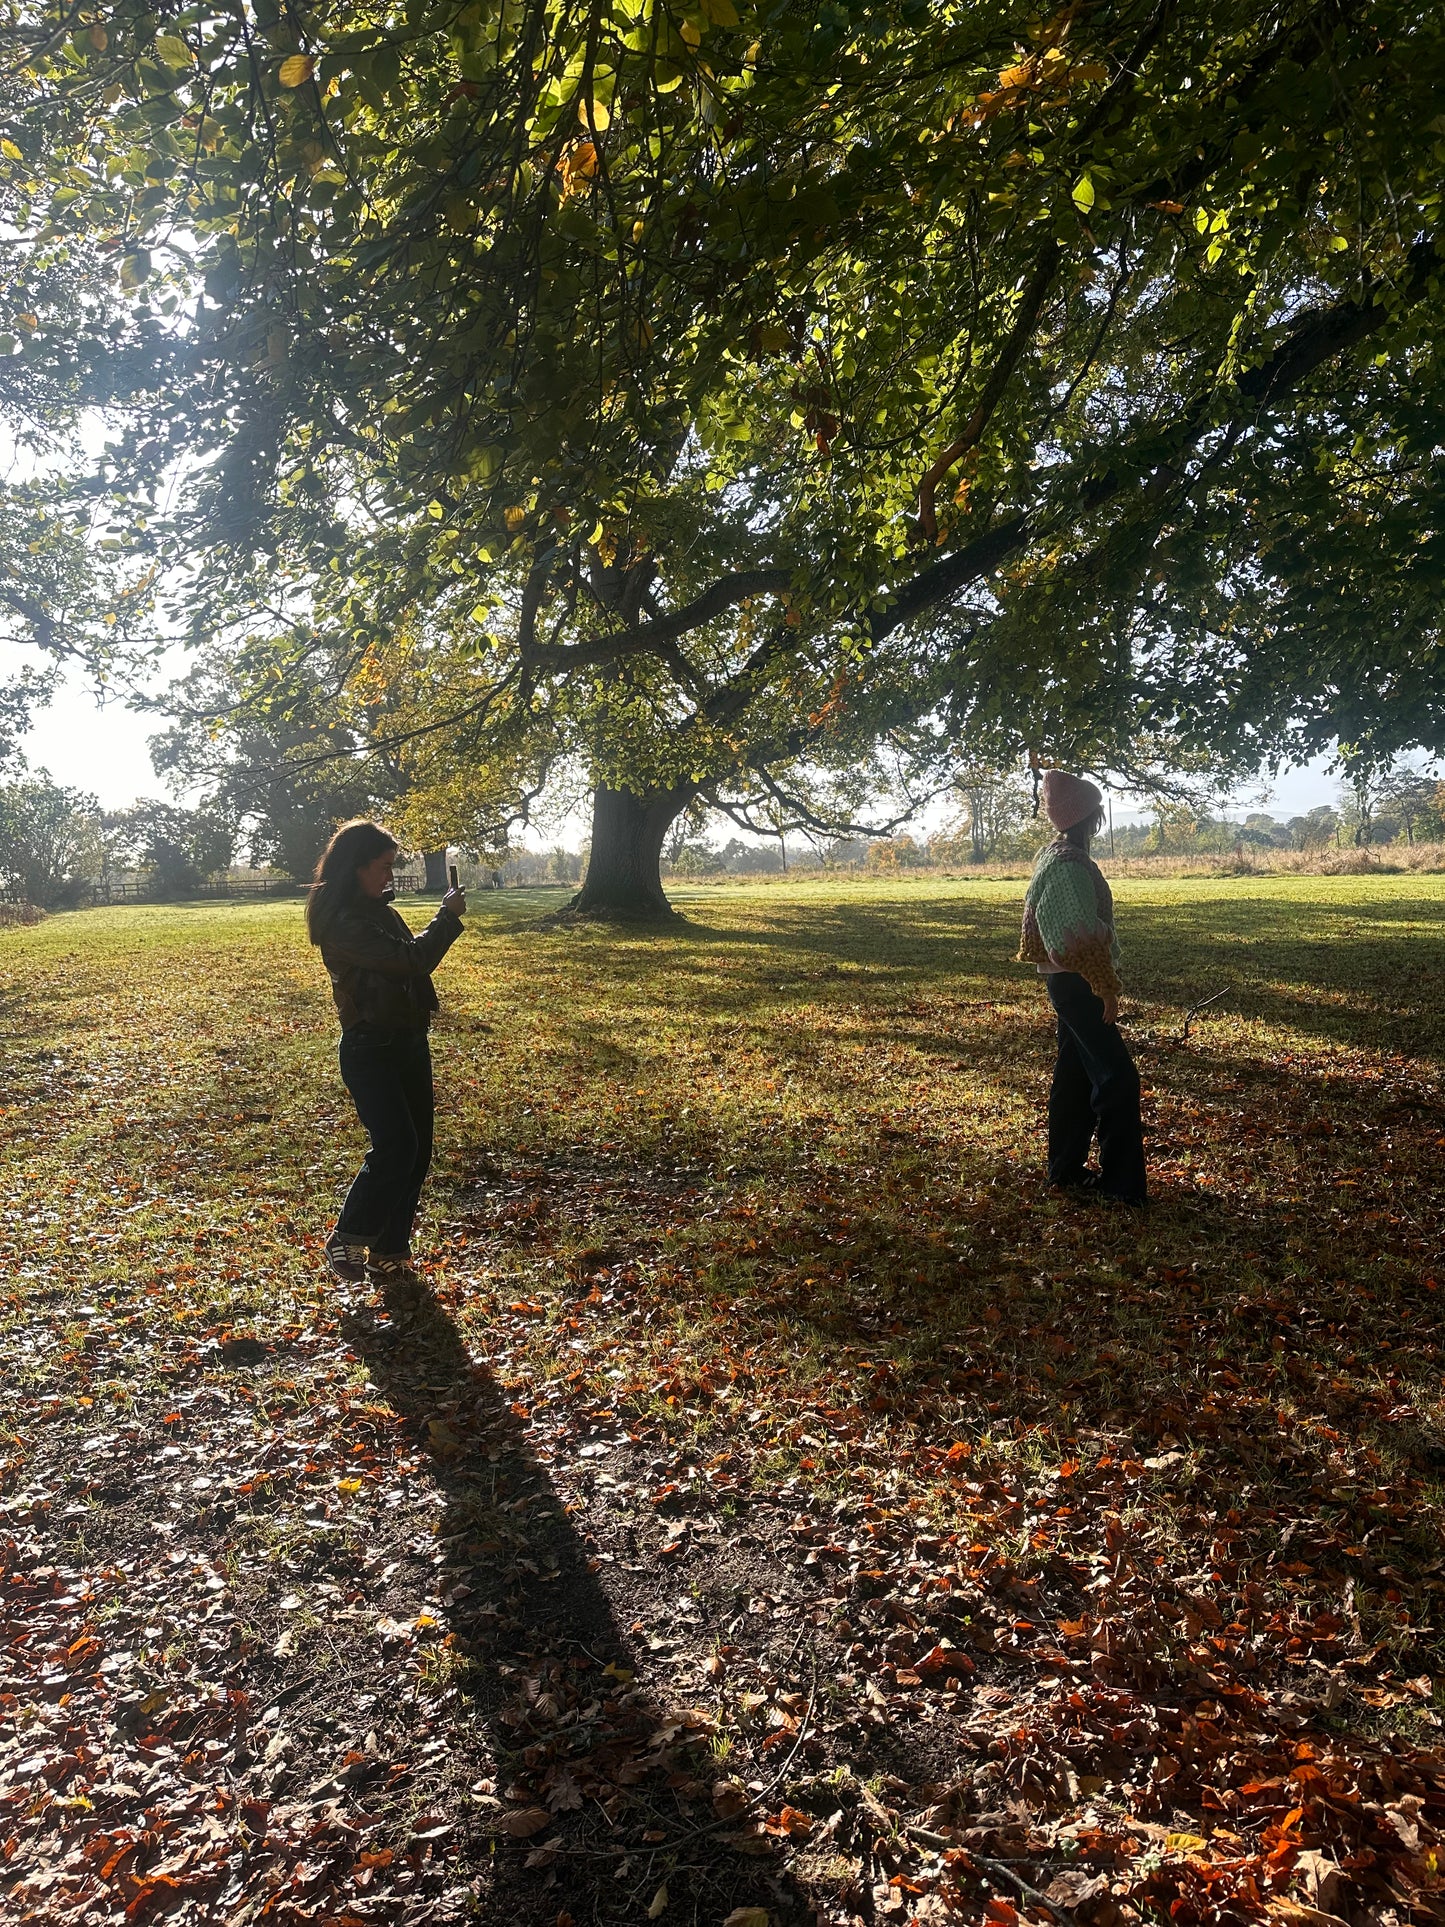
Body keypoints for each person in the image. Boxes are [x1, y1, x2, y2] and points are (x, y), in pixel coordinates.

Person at [305, 820, 467, 1283]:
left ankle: (391, 1248)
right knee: (396, 1146)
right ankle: (350, 1236)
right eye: (382, 867)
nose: (389, 877)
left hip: (408, 1039)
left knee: (417, 1152)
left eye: (392, 867)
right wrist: (447, 917)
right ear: (355, 867)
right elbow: (411, 959)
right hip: (370, 1046)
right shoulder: (343, 924)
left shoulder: (377, 910)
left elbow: (407, 959)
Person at [1018, 771, 1147, 1206]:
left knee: (1073, 1076)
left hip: (1065, 982)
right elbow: (1077, 938)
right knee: (1118, 1080)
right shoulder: (1069, 864)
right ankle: (1122, 1189)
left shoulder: (1052, 855)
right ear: (1091, 817)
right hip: (1076, 983)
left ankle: (1065, 1171)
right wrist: (1105, 986)